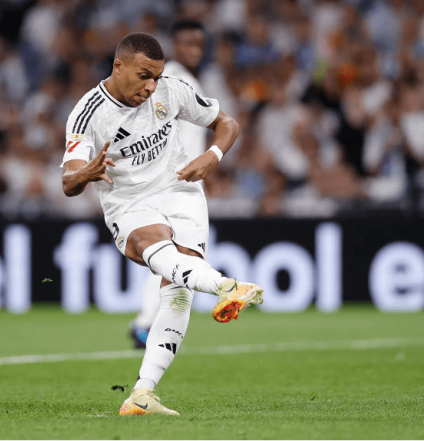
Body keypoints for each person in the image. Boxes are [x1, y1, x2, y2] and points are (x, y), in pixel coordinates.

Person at [61, 33, 264, 416]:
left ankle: (141, 394)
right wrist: (85, 173)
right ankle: (227, 285)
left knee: (178, 292)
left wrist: (214, 155)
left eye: (156, 76)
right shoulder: (88, 113)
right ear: (118, 66)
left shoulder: (170, 91)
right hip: (130, 204)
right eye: (143, 76)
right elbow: (68, 180)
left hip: (180, 191)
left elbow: (228, 123)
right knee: (162, 252)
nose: (151, 86)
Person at [129, 20, 210, 349]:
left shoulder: (184, 78)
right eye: (187, 41)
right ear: (175, 45)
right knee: (180, 254)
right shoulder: (172, 76)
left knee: (171, 254)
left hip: (182, 179)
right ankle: (148, 323)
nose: (195, 48)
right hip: (172, 181)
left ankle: (147, 322)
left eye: (199, 43)